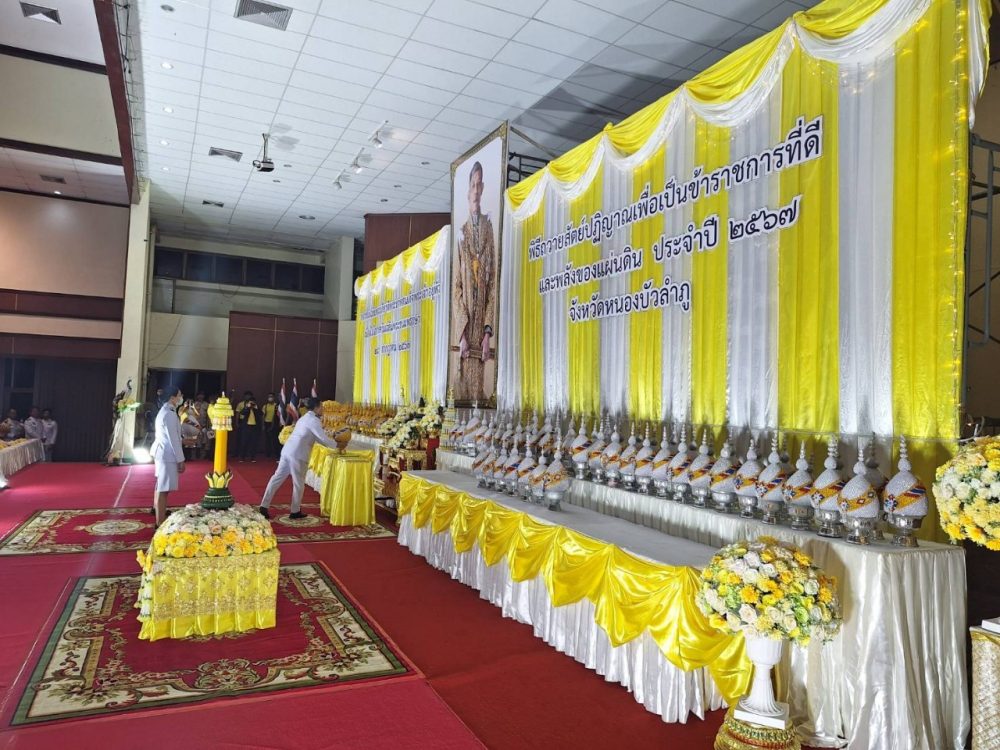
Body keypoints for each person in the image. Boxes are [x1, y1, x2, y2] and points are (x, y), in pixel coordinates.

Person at [453, 161, 497, 402]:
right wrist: (461, 334)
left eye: (480, 185)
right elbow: (457, 287)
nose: (477, 190)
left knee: (481, 393)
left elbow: (492, 286)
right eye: (473, 185)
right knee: (462, 393)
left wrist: (488, 332)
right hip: (466, 331)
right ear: (468, 191)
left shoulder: (489, 230)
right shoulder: (462, 234)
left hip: (482, 334)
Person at [259, 397, 337, 519]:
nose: (323, 409)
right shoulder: (314, 420)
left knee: (276, 478)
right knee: (298, 483)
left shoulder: (304, 418)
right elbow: (323, 439)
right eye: (321, 407)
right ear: (316, 408)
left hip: (287, 451)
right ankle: (295, 511)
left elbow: (315, 437)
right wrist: (338, 445)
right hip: (298, 454)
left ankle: (264, 506)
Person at [150, 385, 185, 525]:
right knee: (163, 488)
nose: (181, 398)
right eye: (179, 395)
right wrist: (180, 459)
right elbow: (173, 439)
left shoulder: (165, 410)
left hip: (163, 452)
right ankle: (159, 522)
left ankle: (157, 510)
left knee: (161, 484)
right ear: (172, 398)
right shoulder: (169, 414)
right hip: (167, 454)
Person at [238, 395, 261, 462]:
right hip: (246, 427)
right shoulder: (246, 408)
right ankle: (242, 457)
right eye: (251, 403)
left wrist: (256, 408)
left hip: (254, 427)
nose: (252, 404)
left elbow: (261, 414)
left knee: (253, 442)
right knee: (244, 442)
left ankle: (252, 458)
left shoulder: (256, 408)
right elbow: (242, 413)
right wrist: (247, 407)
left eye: (253, 403)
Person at [262, 392, 280, 459]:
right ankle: (268, 453)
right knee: (267, 439)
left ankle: (276, 453)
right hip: (267, 423)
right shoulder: (265, 406)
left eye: (271, 396)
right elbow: (263, 416)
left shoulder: (276, 405)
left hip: (275, 424)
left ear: (274, 398)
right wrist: (263, 425)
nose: (270, 398)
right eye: (269, 397)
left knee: (275, 439)